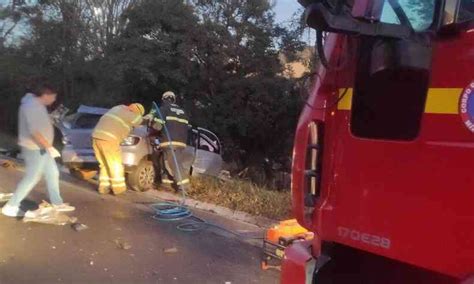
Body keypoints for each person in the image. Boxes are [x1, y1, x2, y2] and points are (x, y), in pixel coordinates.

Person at [2, 83, 75, 217]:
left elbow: (40, 125)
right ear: (45, 95)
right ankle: (11, 206)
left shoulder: (38, 106)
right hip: (34, 148)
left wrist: (51, 120)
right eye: (53, 97)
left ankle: (57, 203)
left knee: (52, 173)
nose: (54, 100)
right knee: (32, 177)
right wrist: (49, 147)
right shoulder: (32, 107)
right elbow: (34, 131)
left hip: (41, 147)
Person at [92, 103, 145, 195]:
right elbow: (138, 121)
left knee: (105, 164)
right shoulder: (131, 114)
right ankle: (119, 189)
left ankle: (103, 188)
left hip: (96, 137)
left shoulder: (117, 108)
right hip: (109, 139)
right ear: (137, 112)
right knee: (115, 164)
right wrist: (147, 117)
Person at [150, 91, 190, 192]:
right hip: (181, 142)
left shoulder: (163, 109)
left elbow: (157, 127)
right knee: (166, 162)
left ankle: (184, 187)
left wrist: (152, 126)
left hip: (169, 141)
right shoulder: (183, 111)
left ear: (163, 99)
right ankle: (167, 185)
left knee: (174, 164)